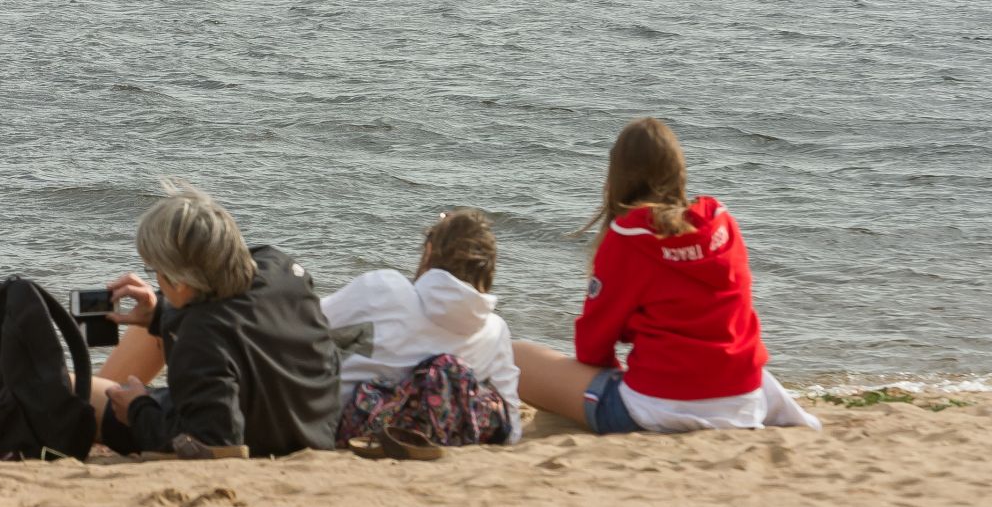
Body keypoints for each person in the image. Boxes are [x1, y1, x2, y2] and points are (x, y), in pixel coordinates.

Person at [512, 118, 821, 435]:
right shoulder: (721, 224)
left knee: (515, 356)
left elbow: (593, 346)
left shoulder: (628, 238)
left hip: (659, 408)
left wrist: (611, 379)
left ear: (617, 176)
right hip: (744, 397)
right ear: (678, 171)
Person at [89, 181, 339, 457]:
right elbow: (239, 326)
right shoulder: (280, 268)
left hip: (259, 439)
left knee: (77, 391)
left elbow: (215, 445)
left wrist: (137, 409)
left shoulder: (200, 336)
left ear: (181, 282)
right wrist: (159, 311)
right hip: (310, 428)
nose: (156, 279)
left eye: (155, 271)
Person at [321, 208, 522, 447]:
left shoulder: (386, 290)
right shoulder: (495, 330)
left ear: (429, 252)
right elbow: (511, 426)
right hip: (443, 437)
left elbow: (312, 325)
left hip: (351, 430)